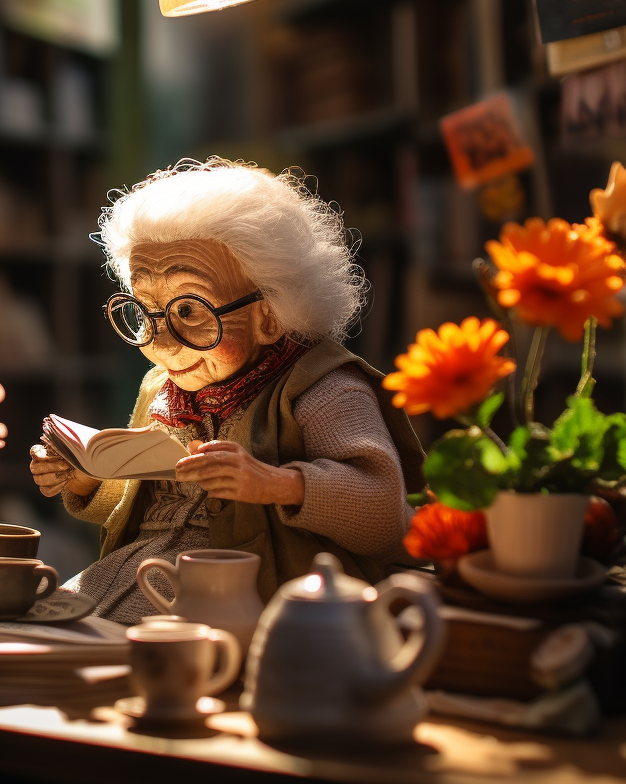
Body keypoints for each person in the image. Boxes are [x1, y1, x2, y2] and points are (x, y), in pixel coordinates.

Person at [29, 159, 424, 623]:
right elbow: (143, 506)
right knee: (41, 622)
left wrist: (277, 484)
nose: (160, 341)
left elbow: (383, 514)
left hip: (257, 599)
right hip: (138, 573)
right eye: (143, 311)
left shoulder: (324, 391)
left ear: (271, 313)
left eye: (190, 310)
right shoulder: (164, 388)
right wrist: (86, 478)